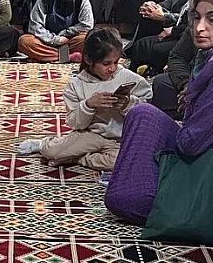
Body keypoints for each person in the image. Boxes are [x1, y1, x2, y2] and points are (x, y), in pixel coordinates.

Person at [105, 0, 213, 224]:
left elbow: (192, 143)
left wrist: (167, 131)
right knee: (144, 116)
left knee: (143, 117)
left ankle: (146, 200)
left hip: (212, 172)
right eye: (196, 18)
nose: (200, 28)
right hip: (204, 150)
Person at [23, 28, 150, 171]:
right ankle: (44, 144)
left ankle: (78, 158)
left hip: (121, 139)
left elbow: (149, 109)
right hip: (91, 135)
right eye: (106, 63)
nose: (112, 68)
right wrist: (88, 105)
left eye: (116, 62)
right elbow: (75, 123)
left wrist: (128, 103)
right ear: (89, 60)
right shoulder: (76, 85)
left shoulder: (128, 77)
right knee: (51, 152)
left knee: (120, 163)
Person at [128, 0, 204, 72]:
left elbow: (188, 18)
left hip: (182, 33)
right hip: (172, 26)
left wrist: (164, 17)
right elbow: (166, 3)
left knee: (146, 46)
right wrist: (152, 6)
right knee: (146, 14)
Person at [18, 0, 93, 62]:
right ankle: (69, 57)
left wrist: (65, 34)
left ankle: (49, 56)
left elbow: (87, 24)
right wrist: (56, 40)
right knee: (24, 42)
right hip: (47, 41)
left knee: (89, 40)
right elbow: (35, 26)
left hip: (70, 39)